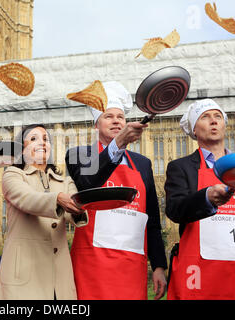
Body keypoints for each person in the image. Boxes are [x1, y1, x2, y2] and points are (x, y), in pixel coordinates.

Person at [66, 81, 168, 300]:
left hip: (132, 264)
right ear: (96, 124)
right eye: (108, 116)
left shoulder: (142, 164)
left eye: (120, 117)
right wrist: (117, 145)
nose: (115, 121)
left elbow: (152, 220)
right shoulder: (79, 154)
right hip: (92, 264)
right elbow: (87, 185)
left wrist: (159, 265)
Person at [165, 98, 235, 300]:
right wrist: (206, 197)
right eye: (205, 117)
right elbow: (175, 209)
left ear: (224, 125)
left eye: (218, 116)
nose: (213, 121)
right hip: (203, 272)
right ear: (194, 130)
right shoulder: (181, 167)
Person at [0, 124, 88, 300]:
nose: (42, 143)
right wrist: (57, 199)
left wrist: (79, 207)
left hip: (58, 281)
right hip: (23, 276)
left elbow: (74, 213)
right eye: (34, 138)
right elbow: (28, 199)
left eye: (46, 139)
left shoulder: (65, 182)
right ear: (22, 148)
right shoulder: (12, 175)